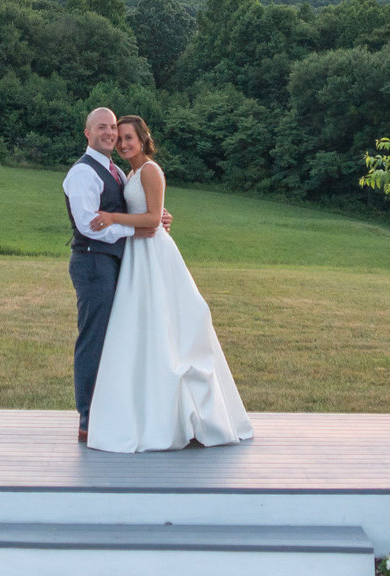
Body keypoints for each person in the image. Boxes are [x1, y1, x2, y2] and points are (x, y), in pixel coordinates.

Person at [84, 113, 253, 453]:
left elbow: (151, 217)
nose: (123, 143)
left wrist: (115, 218)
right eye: (120, 138)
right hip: (137, 254)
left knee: (166, 326)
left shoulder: (150, 170)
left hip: (154, 255)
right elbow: (153, 214)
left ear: (143, 140)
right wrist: (153, 218)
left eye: (129, 137)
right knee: (142, 328)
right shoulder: (129, 172)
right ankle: (144, 407)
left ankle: (180, 413)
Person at [64, 106, 151, 443]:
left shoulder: (114, 170)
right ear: (88, 133)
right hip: (93, 262)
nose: (109, 133)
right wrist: (134, 233)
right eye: (101, 127)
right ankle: (87, 416)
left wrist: (156, 217)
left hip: (112, 262)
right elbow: (90, 225)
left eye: (113, 128)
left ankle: (109, 409)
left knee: (115, 338)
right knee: (94, 338)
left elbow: (129, 210)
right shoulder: (83, 173)